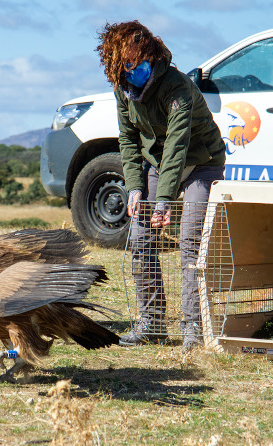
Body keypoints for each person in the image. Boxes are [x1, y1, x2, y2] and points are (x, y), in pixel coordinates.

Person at [96, 21, 226, 350]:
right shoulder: (122, 88)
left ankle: (194, 328)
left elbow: (177, 146)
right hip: (157, 164)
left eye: (136, 64)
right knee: (141, 238)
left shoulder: (176, 87)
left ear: (151, 57)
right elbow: (127, 139)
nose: (131, 71)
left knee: (190, 241)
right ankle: (151, 323)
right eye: (124, 66)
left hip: (202, 162)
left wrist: (164, 200)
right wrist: (136, 187)